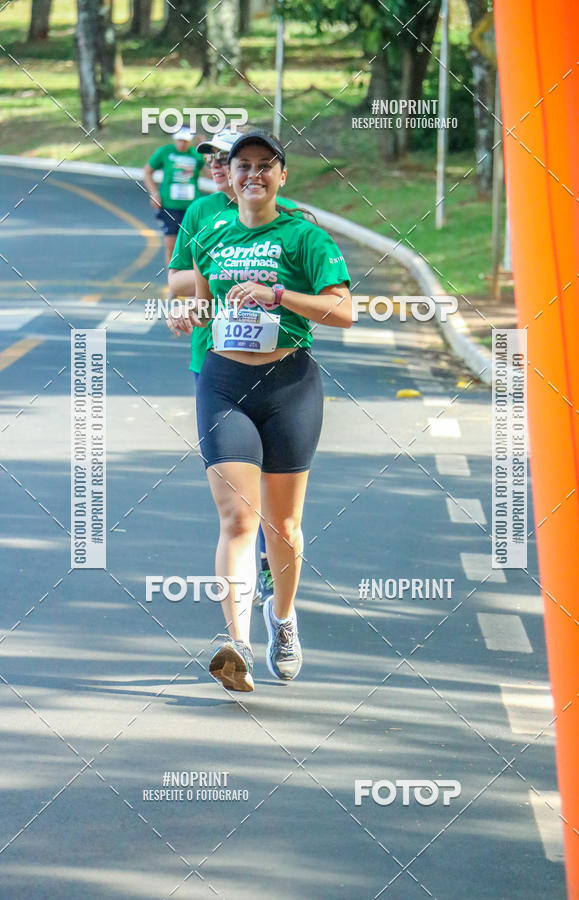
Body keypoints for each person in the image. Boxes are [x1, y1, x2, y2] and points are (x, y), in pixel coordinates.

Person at [168, 130, 352, 692]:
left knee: (283, 525)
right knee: (238, 518)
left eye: (263, 166)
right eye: (241, 165)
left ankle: (283, 619)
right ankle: (237, 644)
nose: (251, 175)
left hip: (289, 383)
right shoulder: (210, 228)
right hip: (223, 382)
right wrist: (186, 315)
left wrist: (278, 296)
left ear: (281, 174)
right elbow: (200, 297)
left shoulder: (304, 236)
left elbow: (343, 312)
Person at [167, 127, 298, 609]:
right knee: (238, 497)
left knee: (275, 490)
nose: (217, 167)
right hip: (214, 362)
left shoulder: (280, 215)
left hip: (278, 369)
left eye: (227, 158)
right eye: (214, 160)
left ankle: (271, 566)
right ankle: (248, 566)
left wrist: (268, 285)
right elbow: (178, 279)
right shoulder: (202, 214)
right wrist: (199, 295)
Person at [143, 127, 204, 271]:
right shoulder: (165, 152)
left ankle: (190, 284)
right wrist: (154, 193)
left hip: (191, 207)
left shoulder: (196, 155)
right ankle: (173, 284)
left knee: (192, 246)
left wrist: (207, 152)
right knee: (172, 245)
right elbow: (147, 172)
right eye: (179, 140)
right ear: (175, 139)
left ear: (190, 141)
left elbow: (211, 174)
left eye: (186, 141)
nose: (182, 144)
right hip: (169, 206)